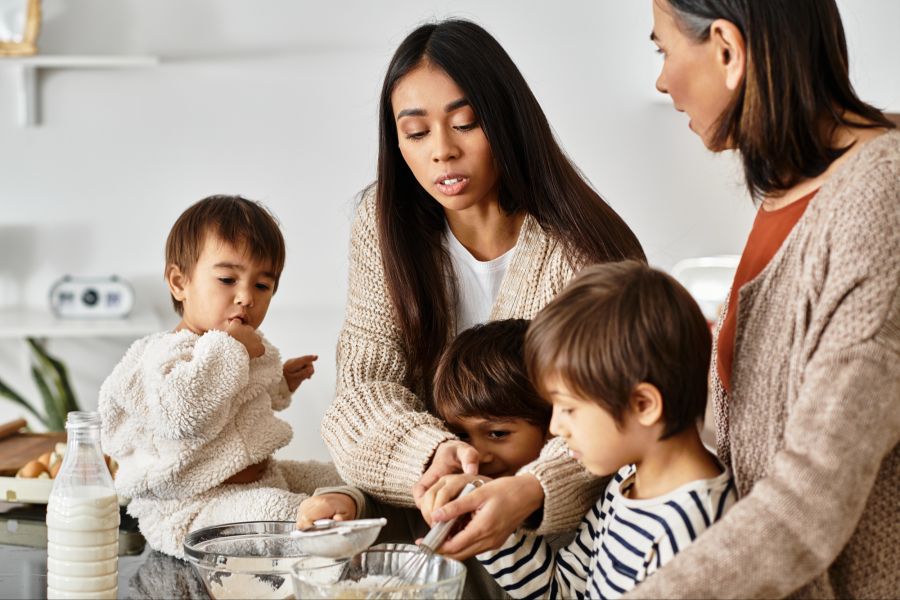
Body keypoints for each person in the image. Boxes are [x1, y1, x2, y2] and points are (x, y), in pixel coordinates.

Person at [320, 18, 646, 570]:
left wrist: (531, 489)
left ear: (506, 121)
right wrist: (431, 455)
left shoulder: (586, 250)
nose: (442, 152)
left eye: (466, 123)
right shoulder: (383, 227)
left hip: (560, 553)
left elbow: (615, 413)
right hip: (427, 527)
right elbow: (361, 388)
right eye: (417, 133)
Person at [631, 1, 900, 597]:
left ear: (726, 49)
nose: (661, 78)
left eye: (663, 50)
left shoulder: (878, 204)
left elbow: (810, 498)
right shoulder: (796, 185)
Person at [430, 262, 732, 599]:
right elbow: (565, 590)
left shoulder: (697, 526)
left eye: (569, 408)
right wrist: (489, 525)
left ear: (644, 405)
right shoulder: (627, 480)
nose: (556, 426)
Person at [98, 195, 363, 557]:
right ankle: (310, 531)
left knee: (345, 478)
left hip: (262, 478)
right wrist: (231, 349)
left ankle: (363, 506)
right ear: (179, 283)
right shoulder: (168, 353)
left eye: (261, 286)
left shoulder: (242, 347)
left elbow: (249, 398)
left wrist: (283, 381)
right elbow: (181, 414)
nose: (245, 298)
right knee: (271, 511)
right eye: (227, 279)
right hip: (194, 509)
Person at [299, 318, 551, 529]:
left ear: (552, 427)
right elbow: (386, 510)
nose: (476, 454)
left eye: (497, 433)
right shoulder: (446, 494)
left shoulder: (567, 518)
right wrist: (347, 503)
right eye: (460, 436)